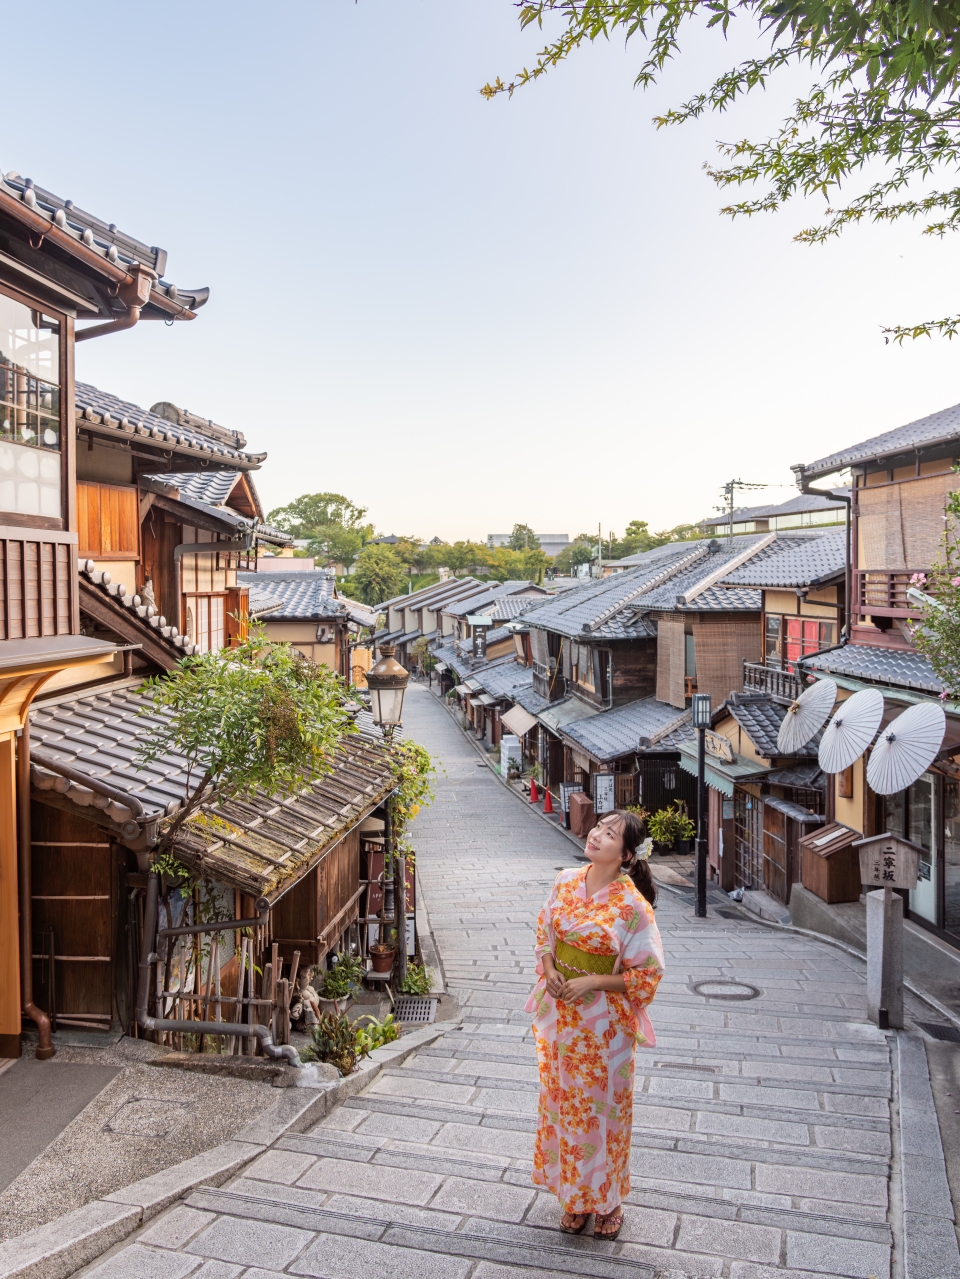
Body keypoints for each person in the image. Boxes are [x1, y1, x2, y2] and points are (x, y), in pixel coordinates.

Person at [527, 810, 664, 1241]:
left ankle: (608, 1200)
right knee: (564, 1105)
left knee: (604, 1112)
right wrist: (549, 967)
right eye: (599, 827)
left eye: (610, 834)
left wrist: (594, 980)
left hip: (606, 1027)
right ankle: (574, 1197)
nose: (597, 834)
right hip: (562, 1019)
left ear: (624, 855)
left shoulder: (633, 908)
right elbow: (544, 929)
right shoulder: (566, 880)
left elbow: (647, 974)